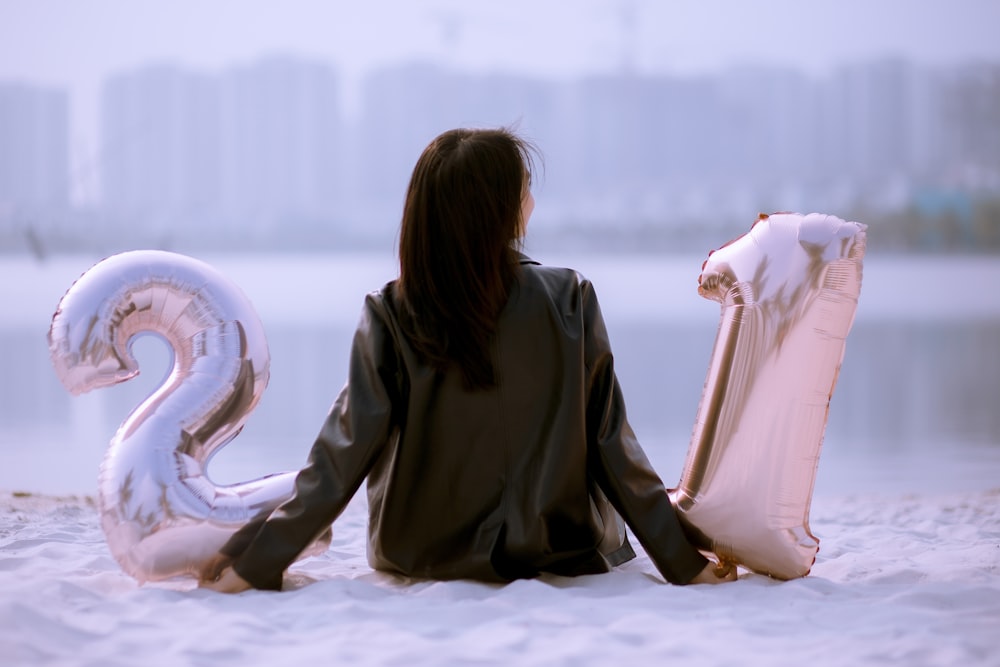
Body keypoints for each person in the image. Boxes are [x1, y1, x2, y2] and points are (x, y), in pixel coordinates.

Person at [204, 127, 735, 593]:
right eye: (524, 187)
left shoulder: (393, 310)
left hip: (419, 552)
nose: (531, 199)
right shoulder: (569, 297)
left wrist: (259, 562)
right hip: (553, 547)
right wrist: (683, 564)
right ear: (499, 208)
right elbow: (613, 449)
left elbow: (343, 455)